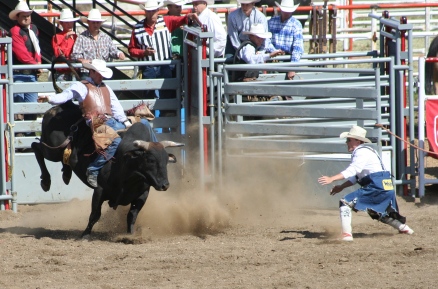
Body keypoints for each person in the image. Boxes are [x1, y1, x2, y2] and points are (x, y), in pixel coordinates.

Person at [37, 59, 157, 188]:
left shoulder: (106, 88)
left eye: (102, 74)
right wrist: (50, 98)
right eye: (99, 74)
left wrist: (126, 122)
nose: (102, 77)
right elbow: (66, 96)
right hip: (97, 123)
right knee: (115, 141)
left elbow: (116, 107)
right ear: (92, 72)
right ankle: (93, 170)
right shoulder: (81, 86)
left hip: (113, 121)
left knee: (143, 123)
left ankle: (156, 151)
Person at [317, 125, 414, 241]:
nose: (346, 142)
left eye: (348, 140)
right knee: (377, 212)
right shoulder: (367, 151)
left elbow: (353, 170)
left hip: (376, 185)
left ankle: (346, 235)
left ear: (357, 140)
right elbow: (357, 176)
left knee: (345, 202)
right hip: (385, 185)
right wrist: (342, 186)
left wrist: (332, 178)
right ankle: (404, 228)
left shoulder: (361, 152)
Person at [128, 0, 202, 99]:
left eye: (153, 11)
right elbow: (131, 49)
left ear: (158, 11)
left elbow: (181, 19)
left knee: (168, 93)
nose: (151, 14)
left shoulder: (166, 21)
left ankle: (168, 113)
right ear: (145, 12)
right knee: (148, 95)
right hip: (148, 67)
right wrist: (143, 52)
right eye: (149, 11)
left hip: (165, 65)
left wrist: (188, 16)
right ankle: (151, 114)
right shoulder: (137, 28)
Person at [9, 1, 42, 122]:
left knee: (31, 106)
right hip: (19, 73)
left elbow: (37, 48)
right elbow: (21, 54)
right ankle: (20, 133)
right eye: (23, 15)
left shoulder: (33, 28)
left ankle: (30, 132)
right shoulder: (15, 31)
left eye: (28, 15)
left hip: (30, 73)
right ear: (17, 17)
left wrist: (37, 63)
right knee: (19, 105)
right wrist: (37, 65)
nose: (27, 18)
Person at [71, 9, 125, 78]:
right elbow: (75, 55)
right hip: (87, 72)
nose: (96, 25)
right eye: (93, 22)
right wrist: (82, 60)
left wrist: (119, 53)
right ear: (88, 23)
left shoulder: (106, 38)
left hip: (103, 72)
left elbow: (113, 50)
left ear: (100, 23)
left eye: (97, 22)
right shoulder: (81, 38)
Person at [268, 0, 304, 80]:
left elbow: (298, 47)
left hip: (287, 60)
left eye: (288, 11)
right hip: (273, 58)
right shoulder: (271, 22)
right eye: (285, 11)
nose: (287, 13)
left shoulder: (296, 25)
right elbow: (266, 40)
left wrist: (293, 67)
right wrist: (273, 51)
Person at [51, 8, 79, 81]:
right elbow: (59, 55)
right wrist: (65, 39)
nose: (69, 24)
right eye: (66, 22)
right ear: (62, 23)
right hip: (62, 73)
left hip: (74, 72)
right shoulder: (56, 37)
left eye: (71, 22)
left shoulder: (76, 37)